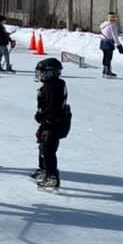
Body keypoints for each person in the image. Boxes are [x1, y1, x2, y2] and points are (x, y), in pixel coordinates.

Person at [32, 57, 71, 189]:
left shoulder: (54, 88)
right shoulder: (50, 86)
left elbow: (52, 107)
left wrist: (44, 119)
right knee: (42, 147)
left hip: (53, 124)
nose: (40, 75)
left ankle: (52, 176)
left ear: (51, 73)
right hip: (48, 123)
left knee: (48, 150)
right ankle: (44, 170)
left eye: (43, 72)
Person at [99, 12, 123, 78]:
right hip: (108, 42)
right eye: (114, 17)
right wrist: (119, 45)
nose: (115, 19)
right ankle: (108, 72)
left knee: (105, 56)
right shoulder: (112, 25)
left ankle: (104, 71)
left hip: (103, 42)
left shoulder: (104, 24)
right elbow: (115, 36)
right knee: (109, 57)